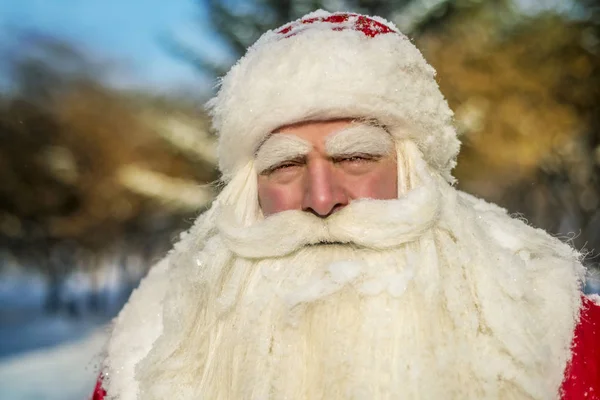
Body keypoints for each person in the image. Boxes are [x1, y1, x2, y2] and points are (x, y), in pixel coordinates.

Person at [93, 10, 600, 400]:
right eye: (284, 165)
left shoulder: (553, 327)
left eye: (356, 156)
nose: (321, 200)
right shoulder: (152, 346)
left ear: (413, 166)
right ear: (249, 187)